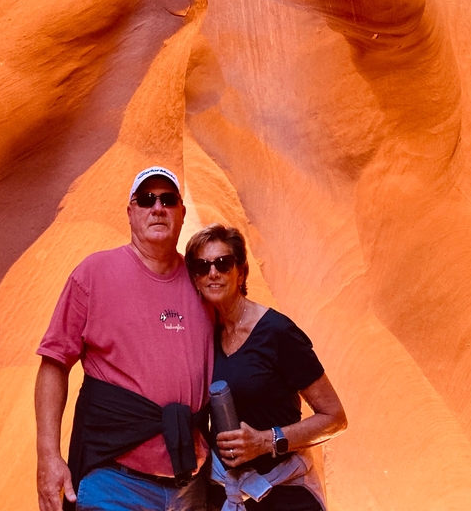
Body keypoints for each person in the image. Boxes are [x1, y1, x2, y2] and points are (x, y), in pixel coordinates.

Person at [35, 166, 214, 511]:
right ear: (130, 213)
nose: (157, 208)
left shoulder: (202, 282)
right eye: (146, 200)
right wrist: (48, 457)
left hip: (189, 488)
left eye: (168, 199)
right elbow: (54, 363)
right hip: (114, 482)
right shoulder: (94, 274)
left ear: (181, 212)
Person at [184, 225, 347, 511]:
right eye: (202, 266)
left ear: (241, 271)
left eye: (223, 263)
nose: (213, 273)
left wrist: (265, 441)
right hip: (227, 494)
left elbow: (334, 417)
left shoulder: (277, 332)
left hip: (284, 494)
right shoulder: (205, 335)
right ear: (195, 279)